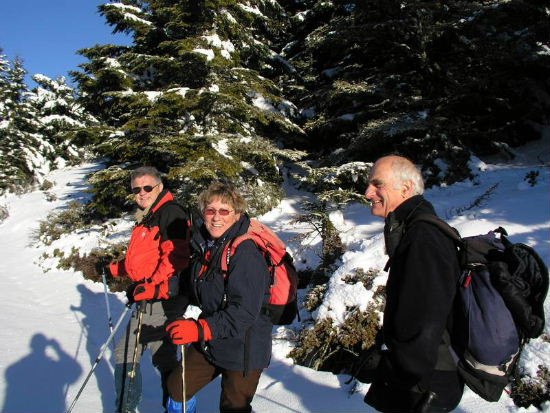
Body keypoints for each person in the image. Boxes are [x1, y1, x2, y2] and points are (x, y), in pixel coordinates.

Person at [363, 155, 464, 412]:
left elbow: (426, 318)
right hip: (423, 375)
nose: (367, 193)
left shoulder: (423, 236)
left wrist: (401, 372)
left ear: (406, 188)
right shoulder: (413, 229)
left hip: (424, 381)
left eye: (377, 184)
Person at [164, 181, 272, 413]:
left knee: (233, 408)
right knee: (177, 387)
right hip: (212, 340)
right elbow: (192, 286)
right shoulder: (206, 245)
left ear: (237, 215)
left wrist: (198, 329)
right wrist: (159, 290)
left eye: (224, 211)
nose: (216, 217)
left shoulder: (245, 253)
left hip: (243, 347)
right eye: (210, 210)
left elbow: (244, 312)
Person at [107, 166, 195, 413]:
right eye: (136, 189)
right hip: (152, 296)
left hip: (162, 298)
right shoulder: (149, 215)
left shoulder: (170, 213)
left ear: (159, 187)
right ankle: (176, 405)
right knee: (163, 354)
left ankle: (128, 408)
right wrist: (117, 269)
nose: (142, 193)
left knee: (127, 350)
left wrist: (153, 286)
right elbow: (146, 258)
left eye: (147, 187)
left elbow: (176, 257)